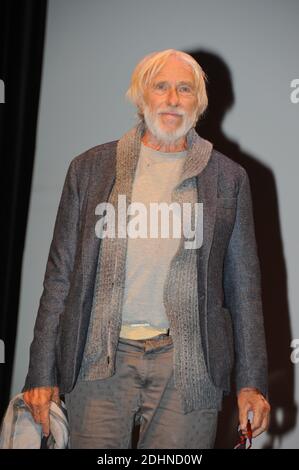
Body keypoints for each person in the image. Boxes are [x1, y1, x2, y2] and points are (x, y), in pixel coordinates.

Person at [22, 49, 270, 449]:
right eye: (161, 87)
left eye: (184, 89)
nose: (172, 98)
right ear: (142, 98)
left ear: (199, 102)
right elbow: (60, 277)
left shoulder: (228, 178)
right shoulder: (89, 169)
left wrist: (251, 383)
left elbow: (244, 288)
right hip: (99, 359)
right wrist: (40, 374)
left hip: (187, 365)